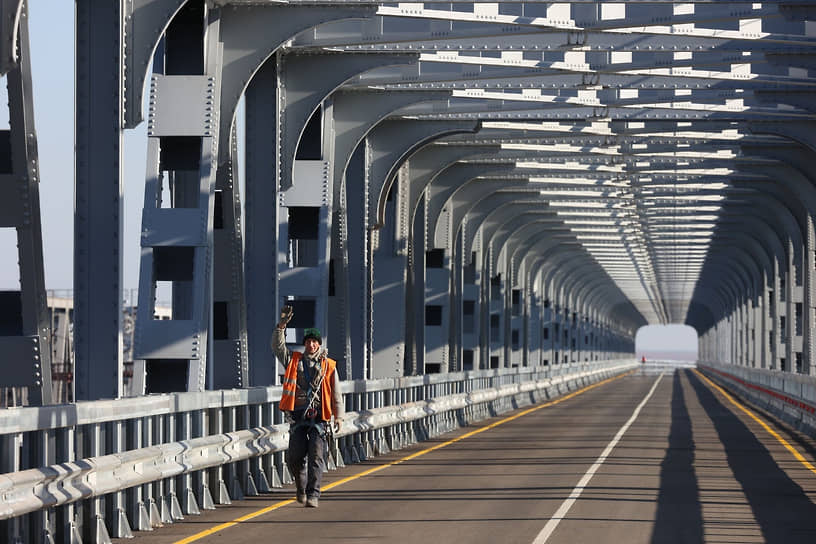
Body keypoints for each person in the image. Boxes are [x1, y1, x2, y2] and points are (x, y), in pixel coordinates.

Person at [273, 305, 343, 508]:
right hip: (297, 417)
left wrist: (339, 416)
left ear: (319, 344)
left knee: (316, 457)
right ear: (304, 344)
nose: (311, 345)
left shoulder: (328, 365)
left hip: (319, 418)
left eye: (314, 342)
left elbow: (336, 392)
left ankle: (313, 494)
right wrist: (281, 327)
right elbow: (278, 348)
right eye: (308, 342)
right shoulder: (294, 361)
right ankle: (301, 486)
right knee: (294, 457)